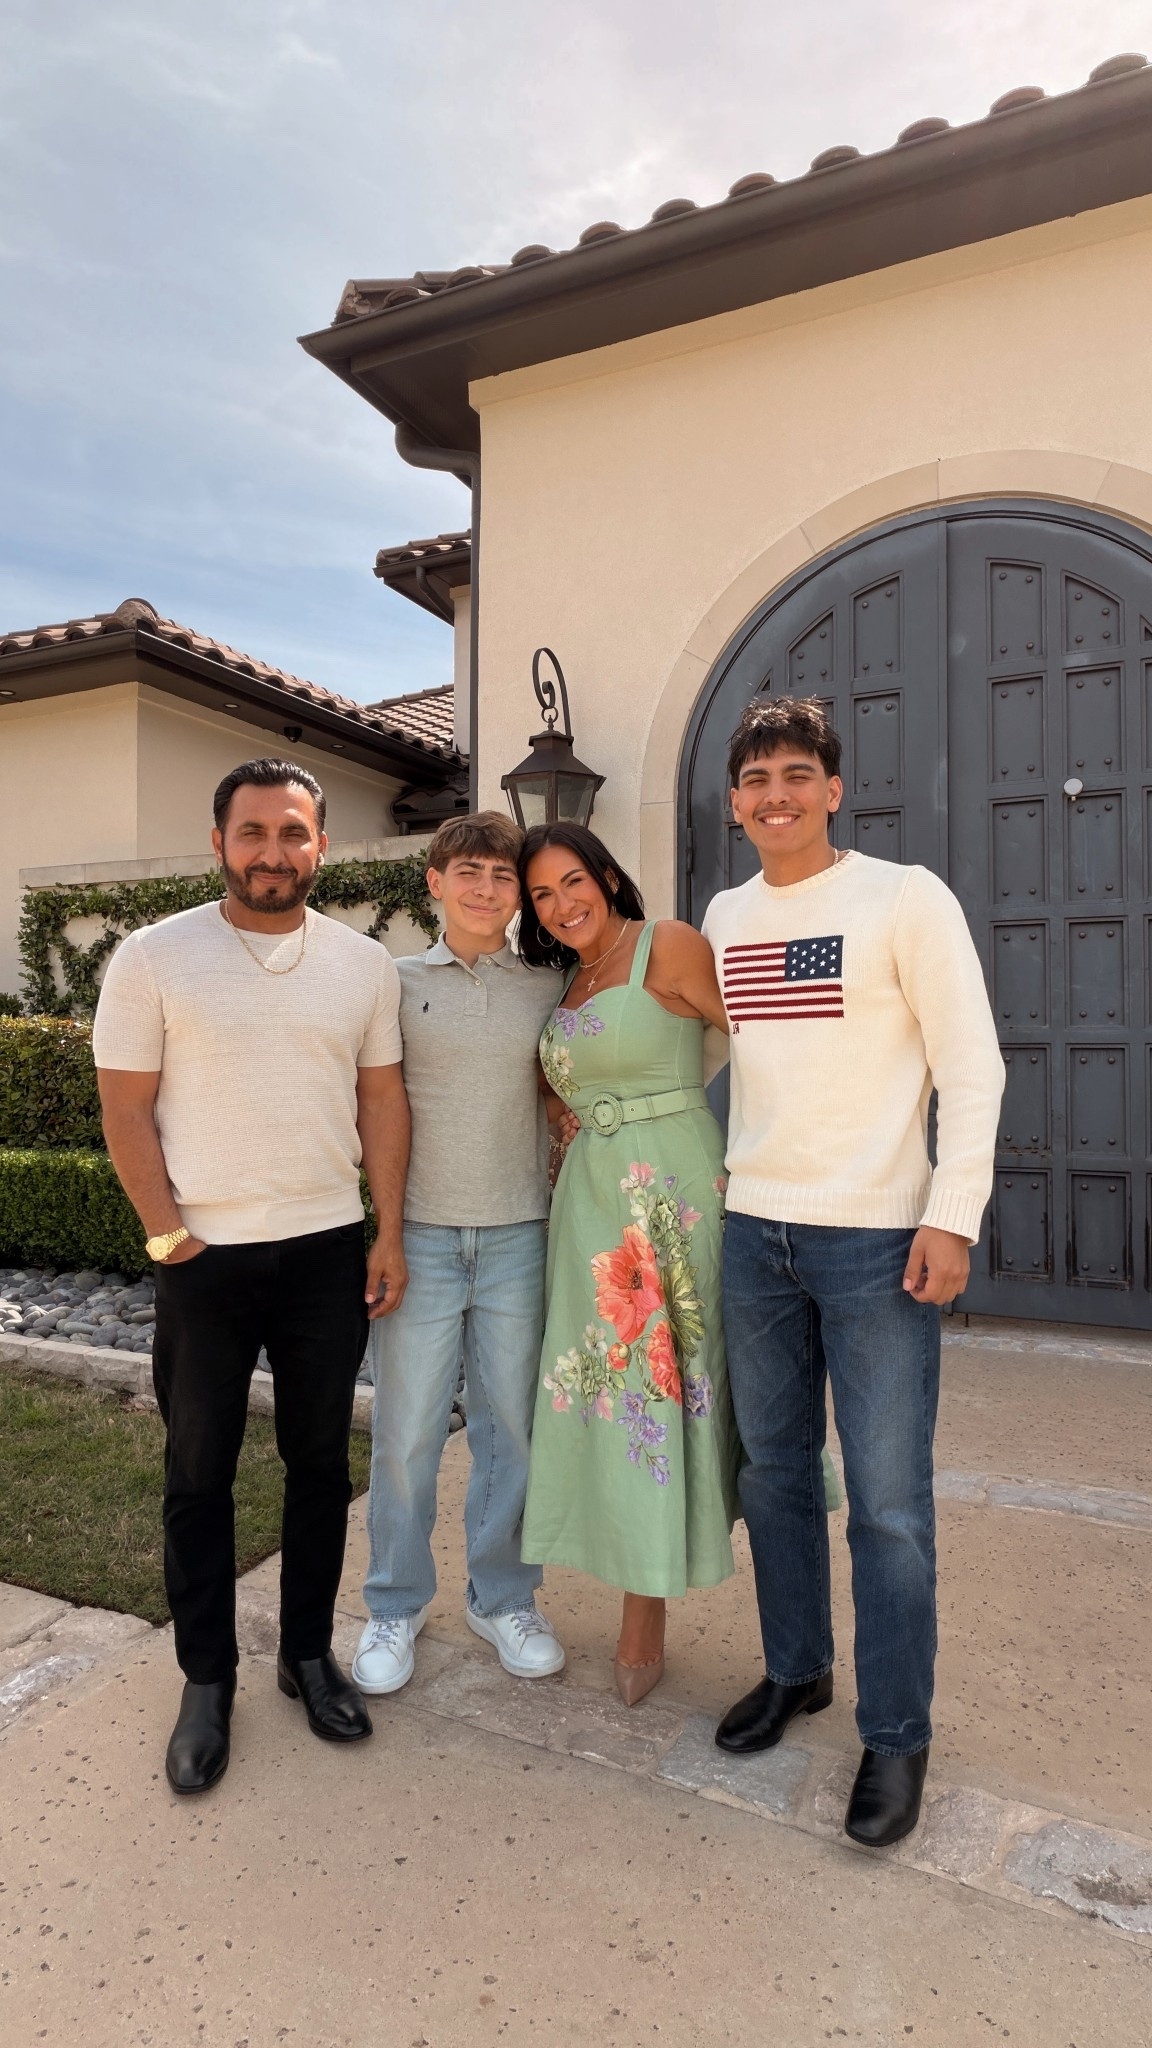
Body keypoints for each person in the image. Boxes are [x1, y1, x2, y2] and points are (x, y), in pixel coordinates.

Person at [702, 696, 1004, 1848]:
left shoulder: (905, 897)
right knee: (774, 1470)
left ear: (832, 788)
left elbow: (971, 1064)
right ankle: (798, 1667)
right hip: (755, 1231)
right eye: (755, 779)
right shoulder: (726, 913)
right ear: (735, 804)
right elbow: (720, 1051)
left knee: (885, 1501)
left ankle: (896, 1730)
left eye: (795, 774)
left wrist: (951, 1215)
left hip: (877, 1237)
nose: (774, 794)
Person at [94, 758, 410, 1794]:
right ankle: (207, 1677)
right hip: (204, 1261)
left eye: (293, 832)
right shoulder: (154, 955)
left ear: (322, 845)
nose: (274, 851)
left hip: (326, 1251)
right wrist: (165, 1236)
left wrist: (386, 1230)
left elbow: (381, 1102)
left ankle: (306, 1654)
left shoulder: (364, 965)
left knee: (319, 1465)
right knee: (199, 1472)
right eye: (254, 832)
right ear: (220, 842)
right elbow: (125, 1106)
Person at [518, 821, 744, 1706]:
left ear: (608, 877)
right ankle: (625, 1561)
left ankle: (646, 1613)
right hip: (588, 1207)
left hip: (672, 1193)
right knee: (609, 1401)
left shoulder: (670, 945)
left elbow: (767, 1050)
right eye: (542, 894)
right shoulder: (566, 980)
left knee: (667, 1389)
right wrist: (565, 1120)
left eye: (573, 882)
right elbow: (558, 1087)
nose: (561, 904)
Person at [352, 812, 568, 1695]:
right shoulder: (392, 982)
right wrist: (386, 1232)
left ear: (521, 894)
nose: (485, 889)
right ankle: (394, 1604)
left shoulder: (550, 984)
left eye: (502, 876)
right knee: (405, 1436)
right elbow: (373, 1108)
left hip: (522, 1236)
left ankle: (502, 1596)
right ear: (435, 882)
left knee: (511, 1431)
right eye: (468, 873)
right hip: (422, 1239)